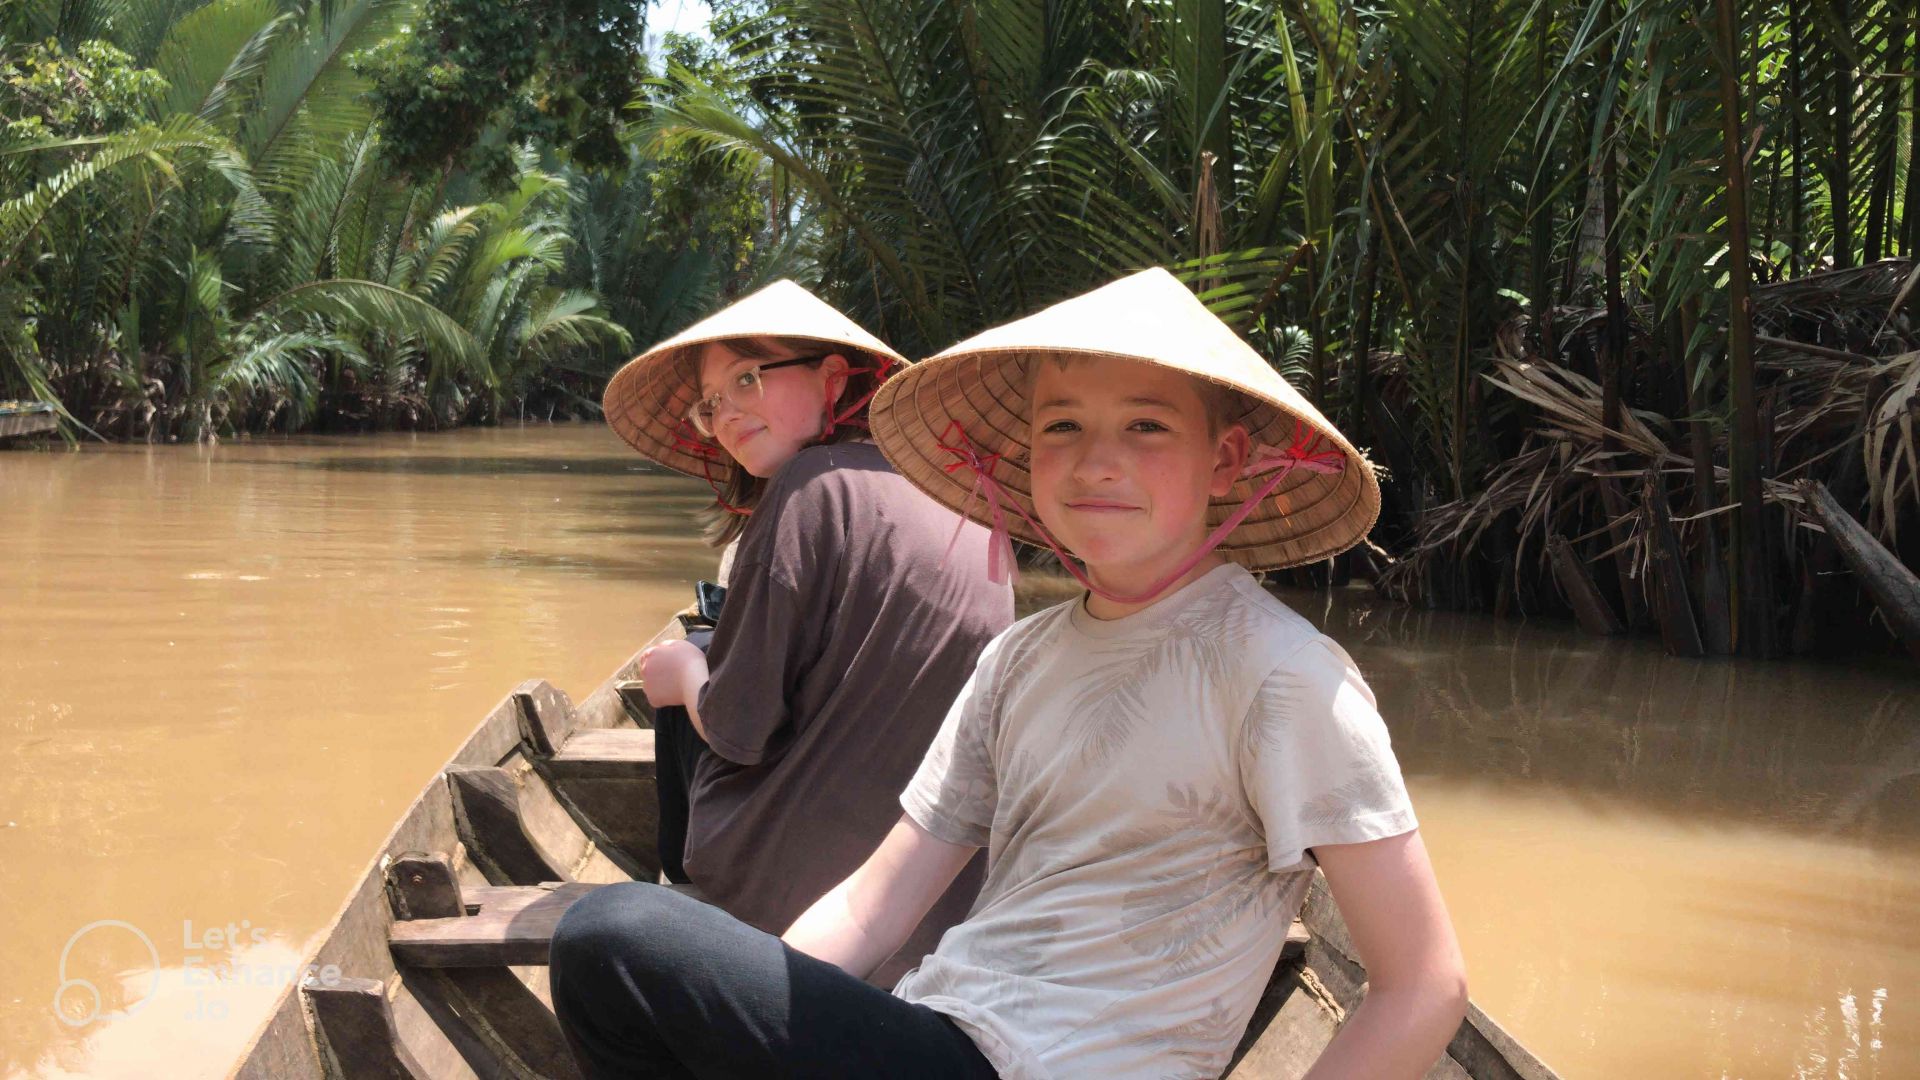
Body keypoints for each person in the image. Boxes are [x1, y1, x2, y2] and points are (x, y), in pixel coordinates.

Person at [555, 268, 1467, 1079]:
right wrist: (764, 1029)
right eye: (1062, 426)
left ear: (1225, 462)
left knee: (614, 937)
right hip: (942, 1026)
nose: (1097, 459)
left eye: (1145, 426)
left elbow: (1422, 986)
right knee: (646, 973)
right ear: (1026, 458)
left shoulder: (1283, 673)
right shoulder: (1018, 659)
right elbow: (875, 911)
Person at [597, 279, 1011, 985]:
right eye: (710, 401)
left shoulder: (809, 488)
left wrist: (687, 678)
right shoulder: (960, 490)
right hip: (942, 891)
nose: (725, 412)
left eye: (748, 379)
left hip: (802, 885)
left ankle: (682, 888)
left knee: (681, 667)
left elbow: (737, 731)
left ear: (833, 377)